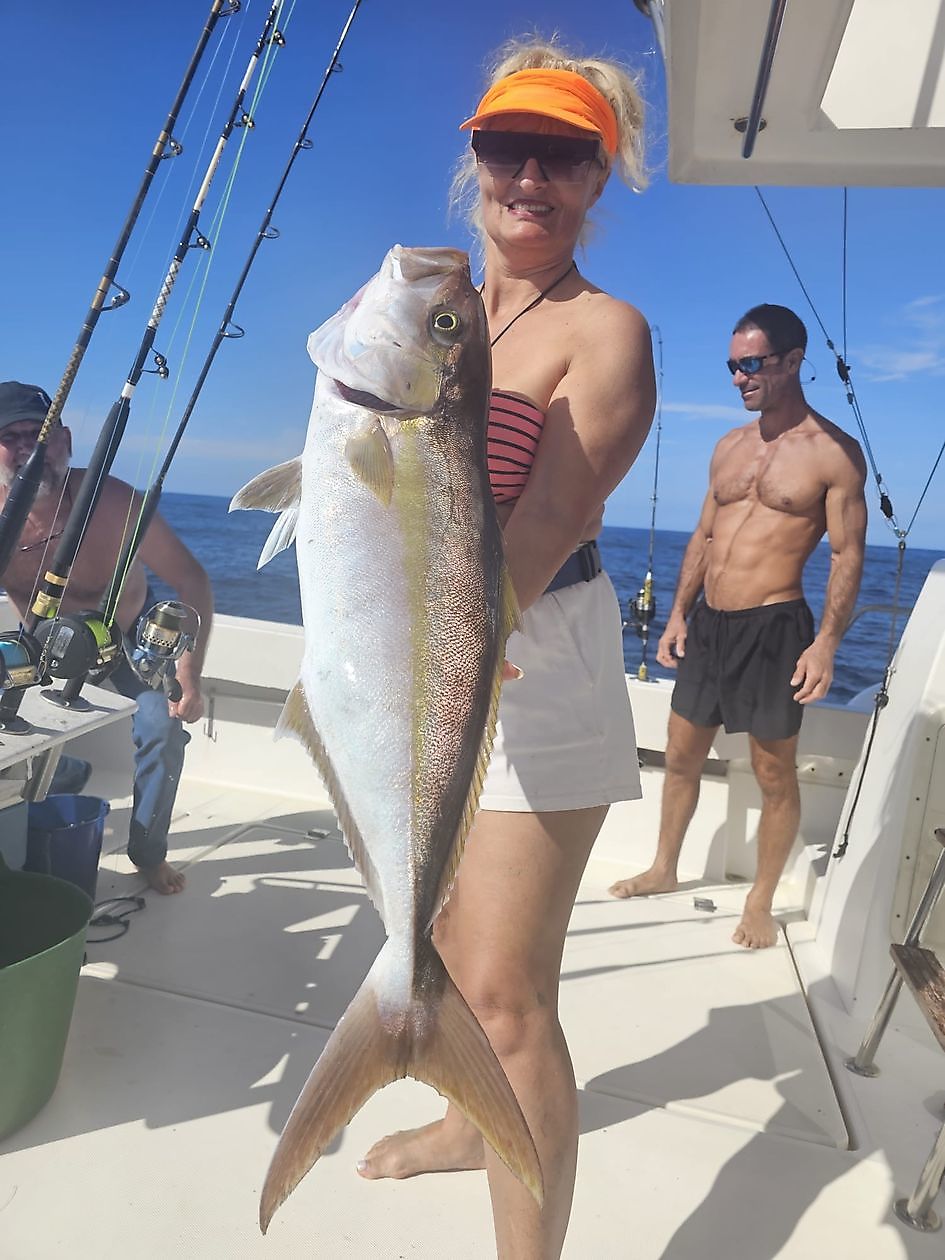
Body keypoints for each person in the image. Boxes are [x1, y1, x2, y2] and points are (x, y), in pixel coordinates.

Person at [355, 40, 655, 1260]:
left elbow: (546, 526)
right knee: (436, 939)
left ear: (597, 178)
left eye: (562, 155)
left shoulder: (607, 331)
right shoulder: (431, 314)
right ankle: (462, 1126)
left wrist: (448, 671)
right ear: (475, 159)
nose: (530, 176)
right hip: (422, 652)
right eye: (507, 146)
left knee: (506, 994)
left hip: (535, 658)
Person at [609, 304, 868, 948]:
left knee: (774, 774)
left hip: (775, 627)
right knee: (681, 756)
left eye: (750, 364)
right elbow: (705, 534)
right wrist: (677, 613)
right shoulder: (729, 446)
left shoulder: (834, 453)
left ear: (792, 361)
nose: (738, 378)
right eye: (732, 365)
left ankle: (760, 901)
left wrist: (827, 643)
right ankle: (664, 867)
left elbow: (846, 555)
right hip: (709, 624)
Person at [0, 380, 213, 895]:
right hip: (40, 643)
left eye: (41, 434)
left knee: (162, 730)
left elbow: (191, 580)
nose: (30, 447)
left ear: (66, 440)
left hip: (123, 640)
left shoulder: (112, 501)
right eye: (12, 437)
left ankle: (148, 853)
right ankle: (63, 774)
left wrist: (189, 672)